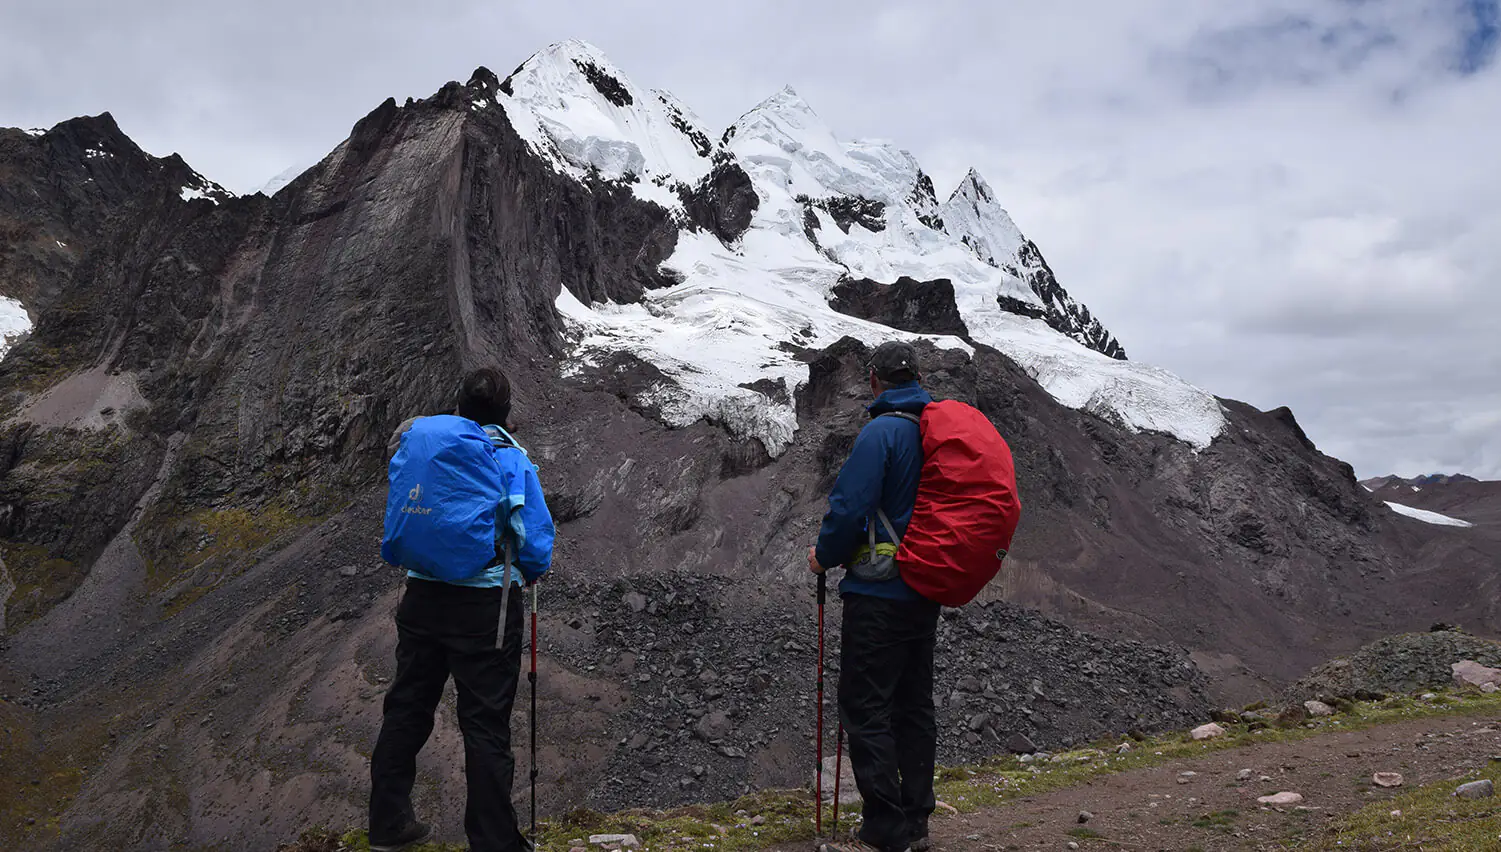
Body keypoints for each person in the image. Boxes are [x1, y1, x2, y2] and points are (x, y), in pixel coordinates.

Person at [369, 366, 555, 852]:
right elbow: (534, 541)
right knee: (484, 724)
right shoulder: (509, 457)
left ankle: (388, 824)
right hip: (484, 609)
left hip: (422, 597)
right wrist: (531, 570)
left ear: (458, 404)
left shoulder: (426, 446)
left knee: (406, 707)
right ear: (506, 412)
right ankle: (494, 842)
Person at [807, 341, 938, 852]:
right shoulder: (933, 435)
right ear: (917, 377)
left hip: (878, 591)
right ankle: (917, 822)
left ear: (874, 380)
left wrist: (824, 555)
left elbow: (849, 507)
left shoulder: (880, 432)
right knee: (913, 704)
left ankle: (887, 831)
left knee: (866, 706)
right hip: (925, 589)